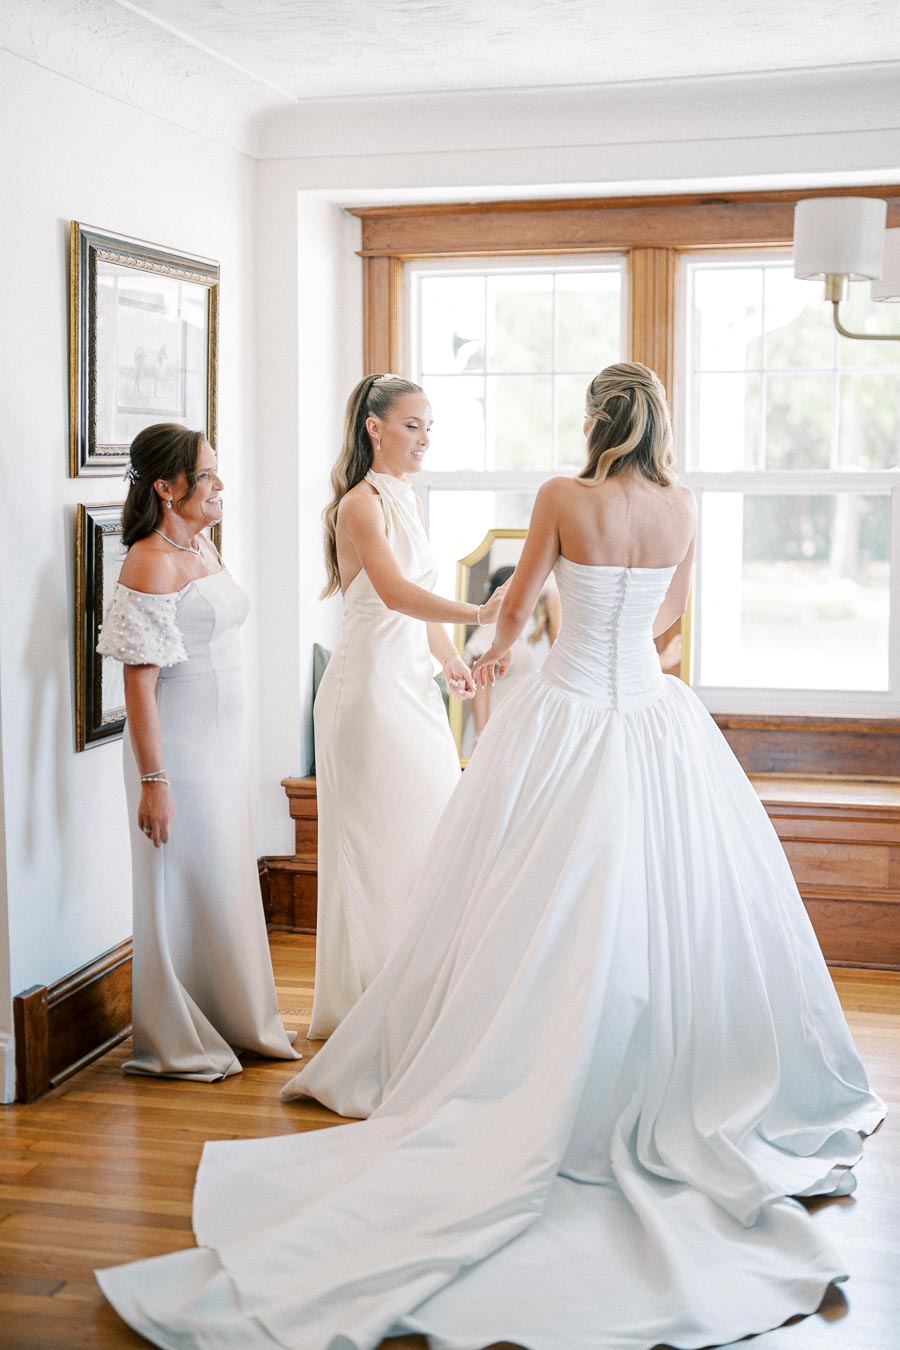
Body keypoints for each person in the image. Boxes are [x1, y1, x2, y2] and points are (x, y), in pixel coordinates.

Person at [97, 366, 884, 1349]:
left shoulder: (563, 497)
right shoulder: (686, 507)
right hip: (652, 710)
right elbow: (672, 626)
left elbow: (517, 605)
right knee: (664, 897)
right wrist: (620, 656)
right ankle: (655, 1065)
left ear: (596, 419)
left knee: (529, 890)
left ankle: (524, 1056)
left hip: (570, 710)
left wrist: (507, 655)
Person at [97, 424, 298, 1080]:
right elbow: (139, 684)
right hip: (176, 750)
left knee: (222, 876)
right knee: (179, 882)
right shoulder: (149, 560)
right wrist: (155, 780)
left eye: (214, 473)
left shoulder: (204, 545)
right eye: (207, 476)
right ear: (166, 487)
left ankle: (235, 1016)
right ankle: (179, 1034)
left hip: (219, 747)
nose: (219, 486)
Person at [308, 373, 506, 1039]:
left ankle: (417, 985)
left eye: (429, 427)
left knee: (429, 830)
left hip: (411, 690)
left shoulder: (406, 499)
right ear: (375, 428)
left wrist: (451, 658)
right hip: (367, 694)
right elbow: (392, 593)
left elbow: (417, 599)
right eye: (412, 425)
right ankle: (367, 1002)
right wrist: (479, 611)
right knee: (374, 845)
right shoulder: (360, 505)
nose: (424, 439)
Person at [461, 564, 560, 754]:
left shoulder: (535, 630)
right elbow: (481, 687)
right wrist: (483, 735)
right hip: (496, 725)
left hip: (524, 726)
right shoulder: (491, 629)